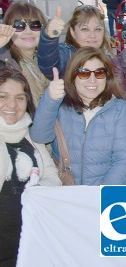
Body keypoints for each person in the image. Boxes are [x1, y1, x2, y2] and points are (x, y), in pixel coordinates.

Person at [30, 47, 126, 185]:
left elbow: (124, 159)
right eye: (84, 74)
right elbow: (40, 137)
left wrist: (102, 195)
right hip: (66, 193)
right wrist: (50, 99)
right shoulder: (60, 105)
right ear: (72, 76)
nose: (92, 80)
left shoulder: (117, 108)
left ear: (107, 76)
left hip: (103, 193)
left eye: (99, 73)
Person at [0, 68, 60, 266]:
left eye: (19, 97)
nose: (12, 104)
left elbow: (54, 180)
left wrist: (38, 189)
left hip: (29, 249)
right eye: (3, 96)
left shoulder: (31, 136)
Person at [37, 5, 113, 80]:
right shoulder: (66, 55)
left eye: (98, 29)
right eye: (85, 29)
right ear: (72, 32)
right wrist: (48, 39)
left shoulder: (107, 59)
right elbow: (50, 67)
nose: (92, 35)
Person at [0, 2, 50, 105]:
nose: (28, 31)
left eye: (35, 25)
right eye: (19, 25)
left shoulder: (50, 61)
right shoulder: (4, 64)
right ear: (8, 29)